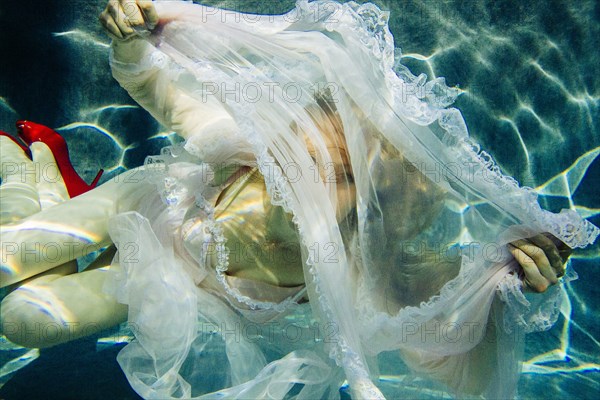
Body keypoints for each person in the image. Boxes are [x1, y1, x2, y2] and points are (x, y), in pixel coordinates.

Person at [1, 0, 597, 398]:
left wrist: (515, 278)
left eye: (338, 177)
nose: (303, 178)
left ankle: (44, 179)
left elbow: (453, 340)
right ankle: (35, 170)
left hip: (162, 276)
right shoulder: (245, 148)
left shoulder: (363, 269)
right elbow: (160, 86)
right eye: (307, 154)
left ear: (378, 210)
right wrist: (133, 38)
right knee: (8, 256)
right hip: (137, 205)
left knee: (21, 319)